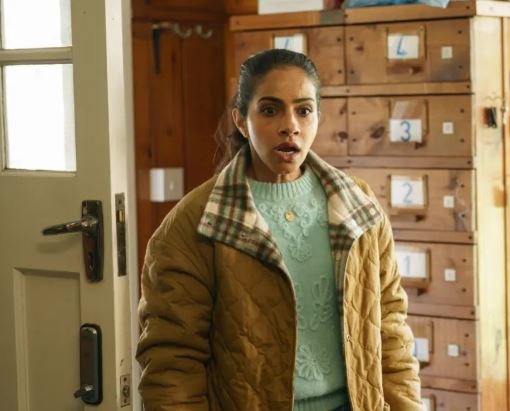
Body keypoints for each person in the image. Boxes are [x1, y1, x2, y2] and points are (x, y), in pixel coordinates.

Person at [136, 48, 421, 411]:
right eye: (270, 110)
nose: (290, 125)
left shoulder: (357, 206)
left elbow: (391, 330)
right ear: (241, 121)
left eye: (304, 110)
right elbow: (172, 362)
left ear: (318, 118)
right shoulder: (195, 222)